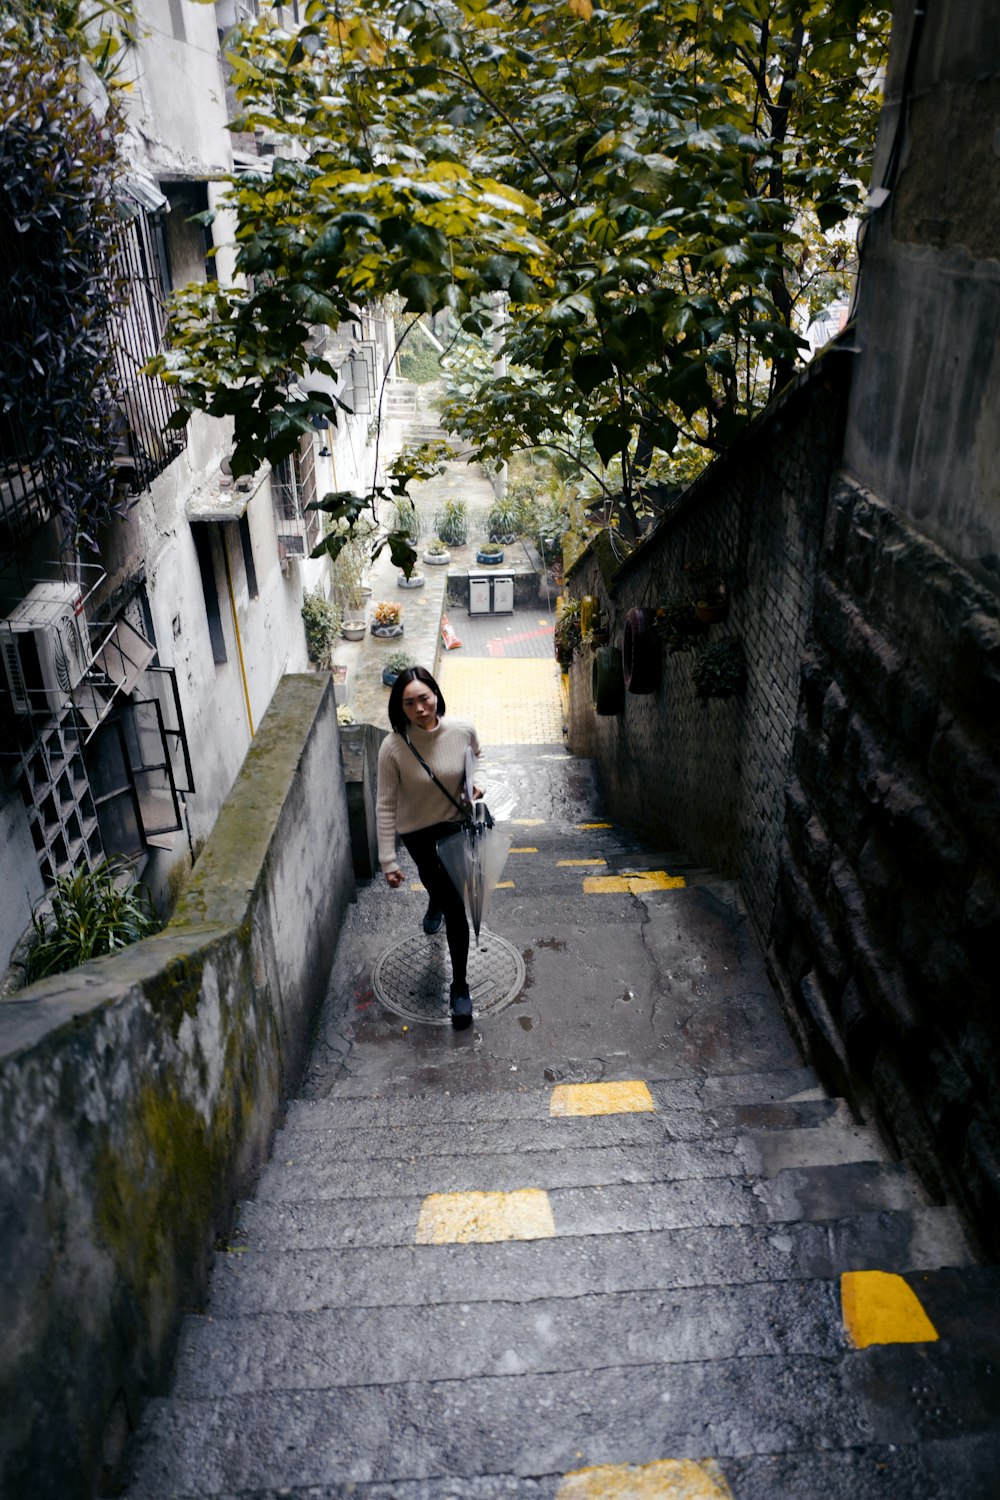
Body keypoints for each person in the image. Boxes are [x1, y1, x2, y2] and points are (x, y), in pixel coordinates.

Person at [376, 666, 482, 1028]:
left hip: (453, 824)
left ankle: (460, 987)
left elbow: (476, 761)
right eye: (409, 703)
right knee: (431, 877)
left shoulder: (462, 730)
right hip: (416, 832)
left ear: (436, 694)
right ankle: (433, 897)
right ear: (399, 708)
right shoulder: (392, 747)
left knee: (455, 906)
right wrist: (388, 860)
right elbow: (385, 803)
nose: (420, 708)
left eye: (424, 698)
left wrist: (476, 786)